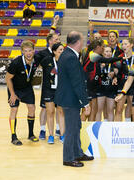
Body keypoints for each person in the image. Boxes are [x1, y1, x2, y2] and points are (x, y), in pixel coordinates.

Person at [54, 31, 94, 167]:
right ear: (78, 42)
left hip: (69, 98)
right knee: (72, 128)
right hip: (70, 99)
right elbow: (77, 83)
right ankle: (68, 158)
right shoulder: (70, 57)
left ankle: (77, 153)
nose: (83, 43)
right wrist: (85, 102)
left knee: (76, 126)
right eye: (82, 40)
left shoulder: (68, 54)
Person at [5, 40, 39, 145]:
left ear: (34, 51)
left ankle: (31, 134)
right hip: (14, 88)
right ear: (22, 52)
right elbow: (7, 79)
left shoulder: (36, 60)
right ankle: (13, 137)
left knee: (32, 108)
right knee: (14, 109)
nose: (28, 53)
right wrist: (12, 94)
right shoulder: (16, 63)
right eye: (25, 51)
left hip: (27, 88)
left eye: (30, 50)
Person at [35, 32, 61, 140]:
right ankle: (42, 129)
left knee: (60, 109)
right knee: (45, 108)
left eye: (59, 39)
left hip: (59, 87)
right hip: (47, 88)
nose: (58, 41)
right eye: (56, 39)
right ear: (50, 41)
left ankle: (58, 129)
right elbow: (34, 65)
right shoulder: (42, 54)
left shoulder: (61, 53)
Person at [40, 43, 65, 144]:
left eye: (63, 50)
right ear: (54, 52)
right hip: (48, 90)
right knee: (50, 112)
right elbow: (38, 65)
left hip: (61, 90)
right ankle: (50, 135)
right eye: (60, 50)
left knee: (61, 112)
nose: (62, 52)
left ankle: (62, 135)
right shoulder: (47, 60)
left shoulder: (66, 61)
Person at [114, 38, 134, 122]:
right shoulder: (119, 57)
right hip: (122, 84)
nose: (123, 46)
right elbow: (115, 71)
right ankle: (117, 129)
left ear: (131, 45)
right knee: (119, 109)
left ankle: (128, 126)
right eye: (122, 44)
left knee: (131, 107)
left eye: (125, 44)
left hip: (133, 84)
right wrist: (114, 76)